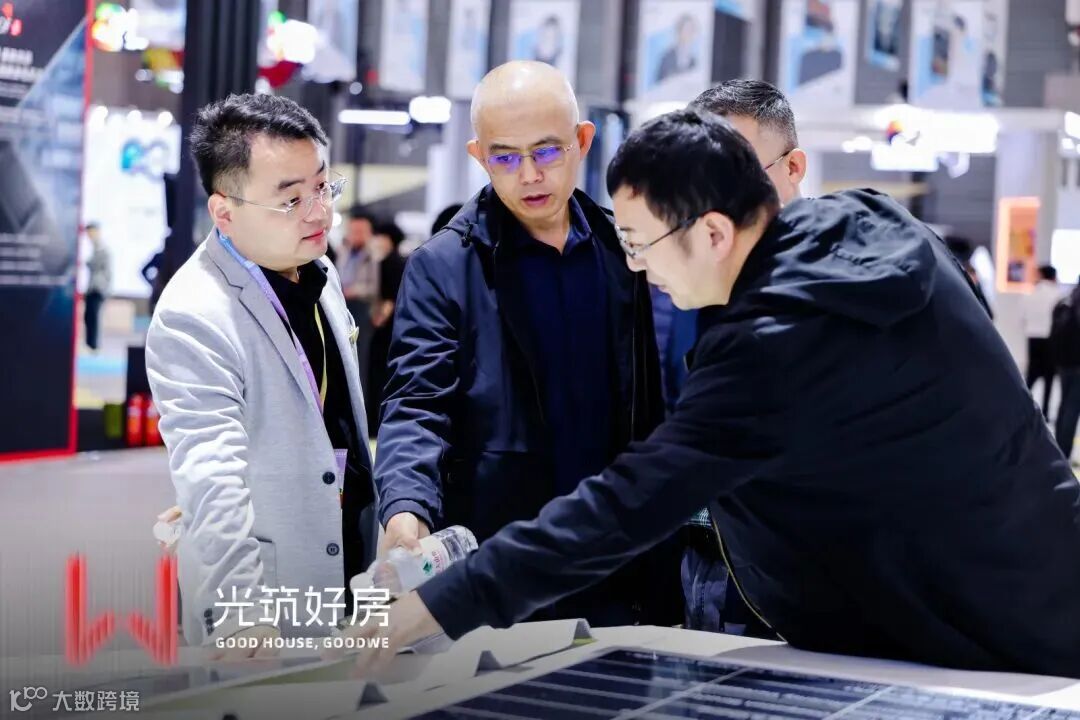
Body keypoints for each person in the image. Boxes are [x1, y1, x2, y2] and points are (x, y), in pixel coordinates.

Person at [347, 109, 1080, 678]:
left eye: (640, 243)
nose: (638, 267)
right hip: (1030, 569)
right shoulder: (870, 220)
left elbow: (625, 507)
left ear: (715, 232)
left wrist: (438, 605)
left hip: (982, 634)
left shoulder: (774, 344)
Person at [373, 60, 679, 627]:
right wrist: (405, 507)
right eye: (506, 158)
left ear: (582, 141)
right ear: (478, 156)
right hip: (502, 566)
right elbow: (416, 404)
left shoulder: (625, 252)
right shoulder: (444, 266)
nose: (530, 175)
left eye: (547, 151)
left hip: (618, 564)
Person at [145, 93, 377, 658]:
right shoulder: (194, 313)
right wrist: (242, 612)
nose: (319, 213)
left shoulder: (318, 271)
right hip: (269, 599)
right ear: (224, 211)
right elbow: (211, 475)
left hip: (350, 564)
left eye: (322, 187)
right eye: (291, 199)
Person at [673, 79, 807, 636]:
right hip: (699, 560)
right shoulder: (677, 283)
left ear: (793, 167)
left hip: (805, 577)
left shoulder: (840, 286)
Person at [366, 220, 406, 435]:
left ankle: (376, 422)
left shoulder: (390, 262)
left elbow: (391, 297)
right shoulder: (398, 260)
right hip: (394, 329)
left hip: (386, 330)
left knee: (379, 374)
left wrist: (379, 319)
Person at [337, 206, 380, 402]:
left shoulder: (373, 254)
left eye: (360, 231)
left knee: (360, 358)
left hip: (363, 309)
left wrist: (352, 290)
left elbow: (373, 287)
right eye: (353, 230)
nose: (356, 234)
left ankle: (361, 404)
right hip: (343, 307)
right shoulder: (344, 250)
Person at [1023, 265, 1060, 419]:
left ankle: (1023, 405)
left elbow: (1023, 316)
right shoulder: (1057, 295)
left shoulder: (1031, 294)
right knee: (1049, 377)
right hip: (1050, 339)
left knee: (1031, 374)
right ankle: (1045, 411)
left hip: (1033, 337)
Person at [1052, 279, 1080, 462]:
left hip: (1064, 363)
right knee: (1072, 408)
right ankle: (1064, 452)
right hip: (1077, 364)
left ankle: (1058, 448)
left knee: (1064, 405)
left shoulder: (1065, 302)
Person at [83, 222, 111, 352]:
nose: (89, 235)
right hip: (91, 288)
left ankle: (94, 345)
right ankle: (90, 344)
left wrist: (105, 288)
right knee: (88, 317)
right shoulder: (93, 248)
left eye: (91, 232)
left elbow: (107, 271)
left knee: (94, 317)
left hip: (98, 288)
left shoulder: (102, 248)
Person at [656, 15, 699, 85]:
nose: (689, 34)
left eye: (691, 30)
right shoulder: (667, 57)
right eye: (686, 30)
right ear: (679, 31)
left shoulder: (693, 61)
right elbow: (659, 83)